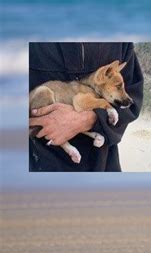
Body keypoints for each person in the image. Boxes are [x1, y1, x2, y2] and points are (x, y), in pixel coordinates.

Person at [29, 42, 143, 171]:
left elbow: (133, 100)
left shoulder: (121, 41)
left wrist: (93, 118)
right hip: (40, 162)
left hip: (102, 163)